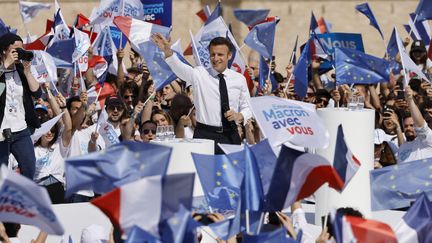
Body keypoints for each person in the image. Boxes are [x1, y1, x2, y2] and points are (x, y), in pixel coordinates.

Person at [152, 34, 252, 154]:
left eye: (220, 54)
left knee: (230, 171)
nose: (215, 58)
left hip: (230, 135)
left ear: (229, 56)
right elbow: (179, 67)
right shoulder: (199, 74)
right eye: (212, 54)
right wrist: (167, 51)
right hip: (205, 134)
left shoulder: (239, 79)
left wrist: (239, 116)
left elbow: (248, 107)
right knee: (204, 171)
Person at [0, 33, 41, 179]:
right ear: (4, 51)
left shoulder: (20, 70)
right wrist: (4, 65)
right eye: (15, 50)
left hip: (21, 129)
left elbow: (37, 93)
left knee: (29, 168)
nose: (19, 53)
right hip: (1, 132)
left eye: (21, 49)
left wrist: (28, 72)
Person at [397, 87, 432, 163]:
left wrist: (410, 100)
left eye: (412, 125)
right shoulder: (402, 147)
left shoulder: (428, 139)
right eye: (406, 126)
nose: (408, 128)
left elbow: (421, 126)